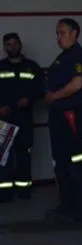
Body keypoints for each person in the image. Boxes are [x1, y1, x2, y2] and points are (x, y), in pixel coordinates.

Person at [44, 19, 82, 222]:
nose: (58, 37)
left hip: (70, 115)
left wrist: (54, 97)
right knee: (61, 162)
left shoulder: (77, 55)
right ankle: (67, 205)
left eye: (62, 33)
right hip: (58, 115)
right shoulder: (63, 56)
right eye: (57, 33)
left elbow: (77, 83)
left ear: (74, 34)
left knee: (76, 162)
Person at [0, 33, 42, 202]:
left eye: (15, 43)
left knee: (24, 155)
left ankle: (24, 190)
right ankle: (4, 193)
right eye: (9, 44)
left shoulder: (32, 67)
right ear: (4, 47)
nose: (12, 47)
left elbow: (40, 88)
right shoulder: (0, 67)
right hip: (4, 120)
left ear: (20, 44)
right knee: (4, 157)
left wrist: (29, 99)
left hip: (24, 119)